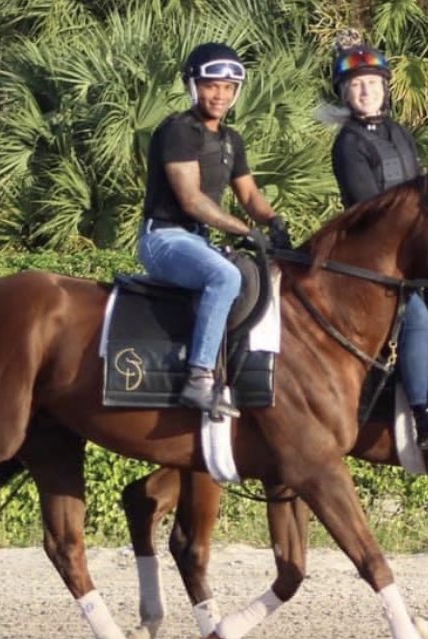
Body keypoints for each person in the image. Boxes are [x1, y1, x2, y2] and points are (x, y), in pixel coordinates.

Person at [328, 34, 428, 448]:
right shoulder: (348, 144)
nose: (366, 92)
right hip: (375, 253)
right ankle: (422, 411)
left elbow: (420, 190)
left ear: (384, 89)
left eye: (372, 84)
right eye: (357, 85)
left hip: (414, 245)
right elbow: (370, 208)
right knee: (416, 315)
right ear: (345, 94)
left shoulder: (399, 132)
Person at [139, 42, 290, 419]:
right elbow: (191, 200)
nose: (220, 95)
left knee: (263, 276)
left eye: (228, 87)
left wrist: (273, 221)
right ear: (193, 87)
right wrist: (245, 231)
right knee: (224, 276)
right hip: (164, 239)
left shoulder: (231, 139)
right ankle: (199, 377)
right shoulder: (178, 130)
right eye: (211, 86)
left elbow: (249, 194)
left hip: (199, 241)